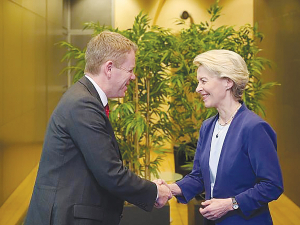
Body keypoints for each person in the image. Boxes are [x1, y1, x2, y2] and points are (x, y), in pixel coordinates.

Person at [25, 31, 171, 225]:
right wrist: (154, 191)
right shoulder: (83, 104)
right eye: (130, 70)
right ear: (109, 68)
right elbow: (110, 173)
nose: (133, 77)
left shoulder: (84, 97)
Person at [166, 49, 284, 224]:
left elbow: (272, 185)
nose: (198, 88)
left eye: (203, 81)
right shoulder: (208, 126)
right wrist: (169, 189)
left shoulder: (254, 128)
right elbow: (198, 176)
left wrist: (231, 204)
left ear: (228, 82)